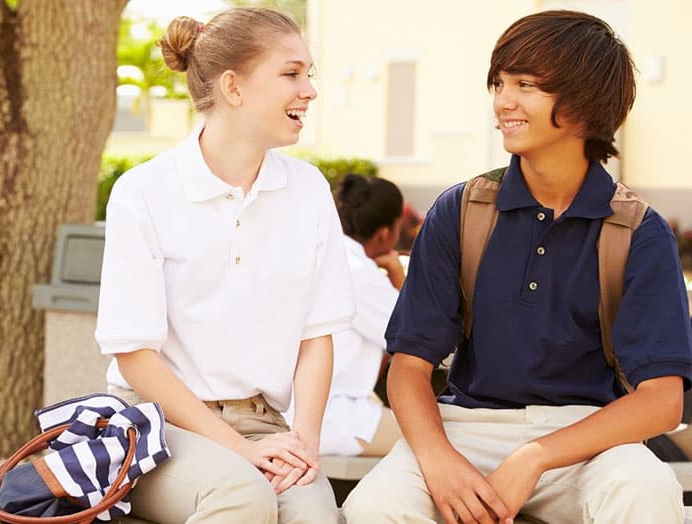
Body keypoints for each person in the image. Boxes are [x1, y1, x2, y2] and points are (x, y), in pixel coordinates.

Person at [343, 10, 692, 524]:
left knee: (647, 492)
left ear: (584, 103)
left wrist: (535, 456)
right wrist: (439, 460)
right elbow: (410, 367)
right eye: (500, 83)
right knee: (376, 508)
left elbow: (663, 400)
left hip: (588, 439)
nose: (504, 101)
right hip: (466, 427)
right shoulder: (459, 212)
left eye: (526, 85)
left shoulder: (639, 231)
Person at [94, 8, 354, 524]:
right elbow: (134, 355)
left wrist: (304, 442)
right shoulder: (143, 193)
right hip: (157, 424)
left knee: (313, 517)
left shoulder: (308, 191)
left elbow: (317, 334)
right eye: (291, 73)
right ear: (233, 87)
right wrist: (238, 448)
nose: (309, 90)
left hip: (266, 421)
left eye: (309, 74)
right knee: (241, 497)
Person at [286, 174, 404, 457]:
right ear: (385, 233)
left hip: (290, 410)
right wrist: (399, 277)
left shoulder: (311, 255)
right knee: (437, 440)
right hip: (331, 416)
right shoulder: (360, 275)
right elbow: (414, 336)